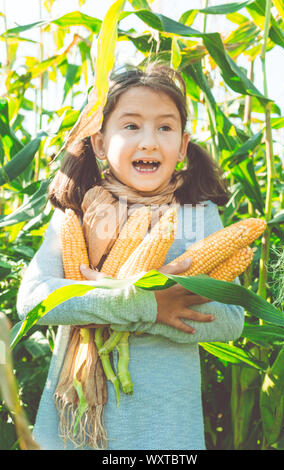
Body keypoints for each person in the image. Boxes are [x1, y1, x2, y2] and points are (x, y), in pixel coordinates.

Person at [16, 64, 244, 451]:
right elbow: (34, 299)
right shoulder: (78, 209)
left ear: (184, 144)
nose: (150, 142)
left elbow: (229, 320)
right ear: (101, 143)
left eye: (165, 128)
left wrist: (106, 303)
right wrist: (146, 305)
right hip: (74, 429)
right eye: (132, 125)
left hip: (165, 428)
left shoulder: (196, 214)